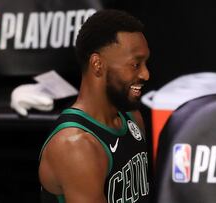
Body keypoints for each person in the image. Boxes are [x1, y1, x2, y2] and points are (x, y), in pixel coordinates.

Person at [38, 9, 150, 203]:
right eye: (135, 64)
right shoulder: (76, 146)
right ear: (98, 64)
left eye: (145, 63)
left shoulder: (132, 116)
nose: (145, 74)